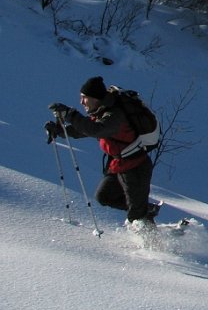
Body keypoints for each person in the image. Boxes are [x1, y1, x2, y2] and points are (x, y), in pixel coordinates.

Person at [45, 76, 159, 228]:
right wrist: (60, 131)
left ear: (95, 98)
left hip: (135, 167)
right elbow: (85, 129)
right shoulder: (102, 111)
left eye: (84, 98)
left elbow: (96, 130)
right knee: (104, 196)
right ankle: (146, 210)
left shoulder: (114, 115)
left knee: (136, 216)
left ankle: (154, 246)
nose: (81, 102)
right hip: (119, 165)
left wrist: (70, 115)